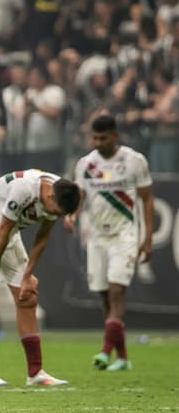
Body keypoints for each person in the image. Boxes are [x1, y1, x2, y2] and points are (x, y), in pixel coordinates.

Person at [0, 168, 80, 388]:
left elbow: (43, 236)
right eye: (57, 211)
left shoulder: (60, 191)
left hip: (9, 232)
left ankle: (35, 372)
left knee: (28, 298)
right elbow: (1, 232)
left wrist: (27, 276)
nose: (57, 215)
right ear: (49, 197)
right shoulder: (23, 190)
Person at [64, 114, 154, 372]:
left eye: (103, 138)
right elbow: (80, 196)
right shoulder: (85, 164)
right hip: (97, 238)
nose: (98, 142)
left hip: (124, 235)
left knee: (116, 292)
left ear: (115, 135)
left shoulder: (134, 161)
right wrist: (71, 215)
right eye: (94, 138)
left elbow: (147, 199)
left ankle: (105, 351)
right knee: (104, 296)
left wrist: (146, 238)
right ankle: (123, 357)